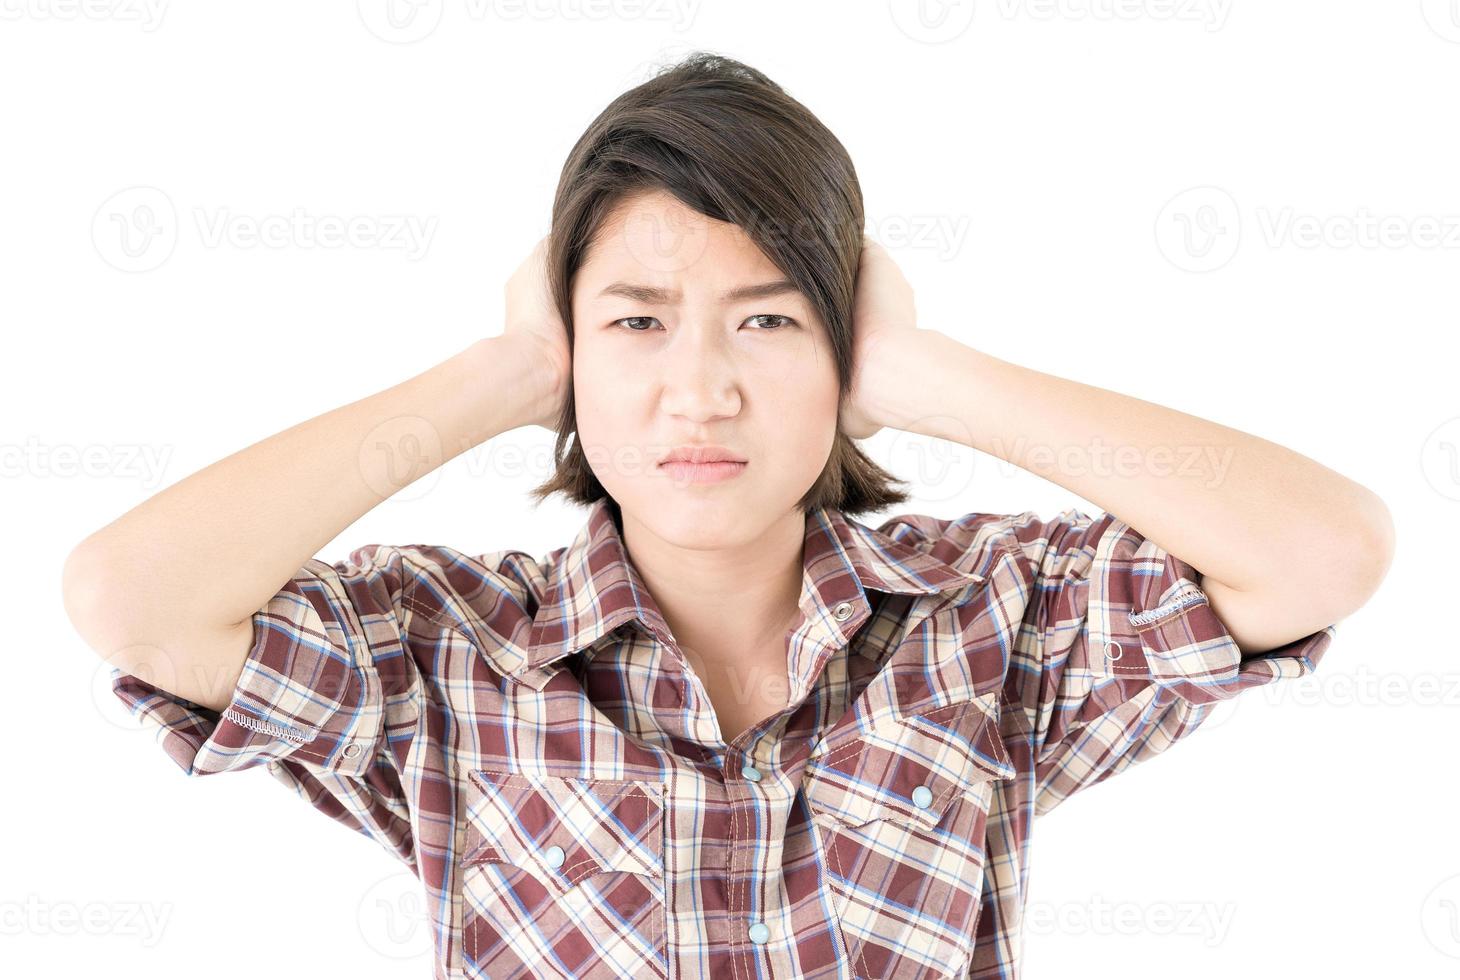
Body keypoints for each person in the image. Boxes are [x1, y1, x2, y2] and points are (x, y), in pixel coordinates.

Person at [61, 52, 1394, 980]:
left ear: (845, 348)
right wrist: (511, 373)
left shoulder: (992, 625)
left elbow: (1320, 552)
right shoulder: (448, 655)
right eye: (636, 324)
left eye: (768, 319)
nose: (699, 390)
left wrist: (926, 378)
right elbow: (134, 599)